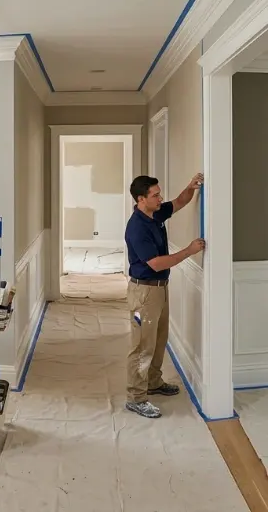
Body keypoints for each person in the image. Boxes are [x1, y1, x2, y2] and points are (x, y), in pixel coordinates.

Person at [124, 173, 204, 419]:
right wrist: (189, 251)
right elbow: (157, 263)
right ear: (141, 199)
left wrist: (190, 186)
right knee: (142, 346)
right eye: (155, 195)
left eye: (159, 194)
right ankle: (136, 397)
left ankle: (153, 382)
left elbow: (179, 202)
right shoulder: (137, 227)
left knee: (159, 339)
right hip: (144, 291)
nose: (160, 198)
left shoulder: (154, 213)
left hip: (159, 288)